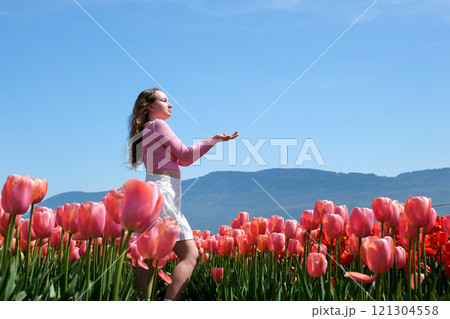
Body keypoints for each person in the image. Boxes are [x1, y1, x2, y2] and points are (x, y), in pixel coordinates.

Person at [128, 88, 238, 300]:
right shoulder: (158, 125)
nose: (170, 104)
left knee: (150, 258)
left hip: (154, 190)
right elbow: (186, 157)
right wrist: (214, 139)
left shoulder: (147, 128)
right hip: (163, 192)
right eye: (164, 100)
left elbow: (181, 159)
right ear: (151, 106)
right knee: (190, 255)